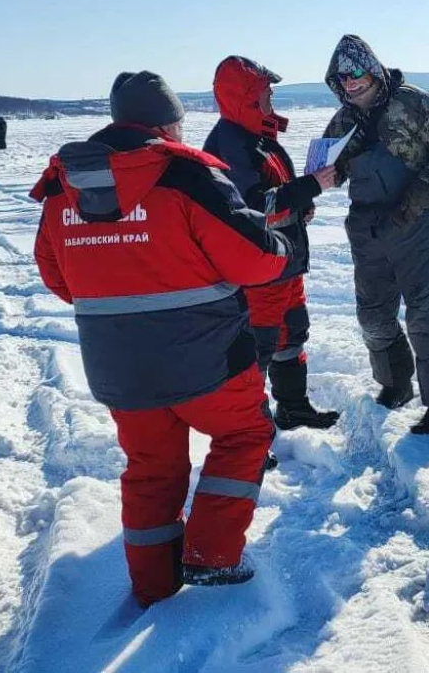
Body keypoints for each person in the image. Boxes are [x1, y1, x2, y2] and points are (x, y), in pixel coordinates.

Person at [30, 70, 319, 607]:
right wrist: (283, 247)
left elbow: (57, 277)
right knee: (245, 435)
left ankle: (154, 584)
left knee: (151, 470)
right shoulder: (185, 174)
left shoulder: (61, 188)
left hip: (118, 366)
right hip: (206, 358)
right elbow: (252, 258)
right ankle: (212, 555)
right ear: (166, 124)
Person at [322, 34, 429, 435]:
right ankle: (396, 383)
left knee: (425, 315)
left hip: (417, 225)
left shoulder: (415, 103)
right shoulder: (342, 121)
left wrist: (423, 189)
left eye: (356, 71)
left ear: (372, 69)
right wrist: (324, 176)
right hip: (368, 231)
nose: (351, 81)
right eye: (342, 76)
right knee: (372, 315)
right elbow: (331, 169)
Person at [203, 55, 339, 430]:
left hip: (283, 263)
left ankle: (292, 408)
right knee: (257, 350)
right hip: (259, 270)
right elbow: (252, 207)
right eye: (266, 93)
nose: (271, 100)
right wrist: (311, 186)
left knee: (292, 331)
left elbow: (276, 194)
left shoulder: (257, 138)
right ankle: (246, 432)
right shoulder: (231, 146)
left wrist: (301, 206)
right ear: (246, 98)